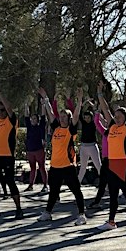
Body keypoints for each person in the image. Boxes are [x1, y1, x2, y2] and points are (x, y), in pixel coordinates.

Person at [97, 80, 126, 234]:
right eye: (115, 116)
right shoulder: (112, 127)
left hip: (124, 165)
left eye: (119, 116)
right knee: (113, 196)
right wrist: (100, 94)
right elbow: (105, 109)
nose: (116, 118)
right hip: (112, 165)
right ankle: (111, 221)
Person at [39, 88, 88, 224]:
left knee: (76, 191)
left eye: (64, 116)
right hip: (55, 166)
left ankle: (82, 215)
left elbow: (77, 115)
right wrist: (47, 99)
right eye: (60, 116)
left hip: (68, 166)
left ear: (69, 118)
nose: (61, 118)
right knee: (53, 192)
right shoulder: (56, 127)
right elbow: (50, 113)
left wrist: (79, 101)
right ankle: (48, 213)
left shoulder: (70, 130)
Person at [0, 88, 24, 219]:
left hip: (7, 155)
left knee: (9, 181)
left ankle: (18, 209)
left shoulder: (11, 121)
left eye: (3, 110)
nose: (1, 112)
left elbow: (8, 106)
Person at [24, 96, 48, 192]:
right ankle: (31, 185)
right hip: (30, 150)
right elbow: (26, 116)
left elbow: (43, 116)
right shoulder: (29, 127)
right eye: (32, 118)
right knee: (32, 168)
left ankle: (45, 185)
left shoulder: (40, 126)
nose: (32, 120)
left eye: (34, 119)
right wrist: (26, 106)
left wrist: (43, 105)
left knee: (42, 167)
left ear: (37, 120)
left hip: (39, 150)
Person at [77, 96, 103, 188]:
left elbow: (97, 115)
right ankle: (77, 184)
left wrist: (93, 106)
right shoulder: (83, 123)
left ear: (91, 118)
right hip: (84, 147)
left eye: (88, 117)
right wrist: (84, 104)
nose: (86, 119)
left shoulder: (93, 123)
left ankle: (105, 184)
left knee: (99, 166)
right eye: (85, 117)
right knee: (82, 167)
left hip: (92, 146)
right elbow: (79, 113)